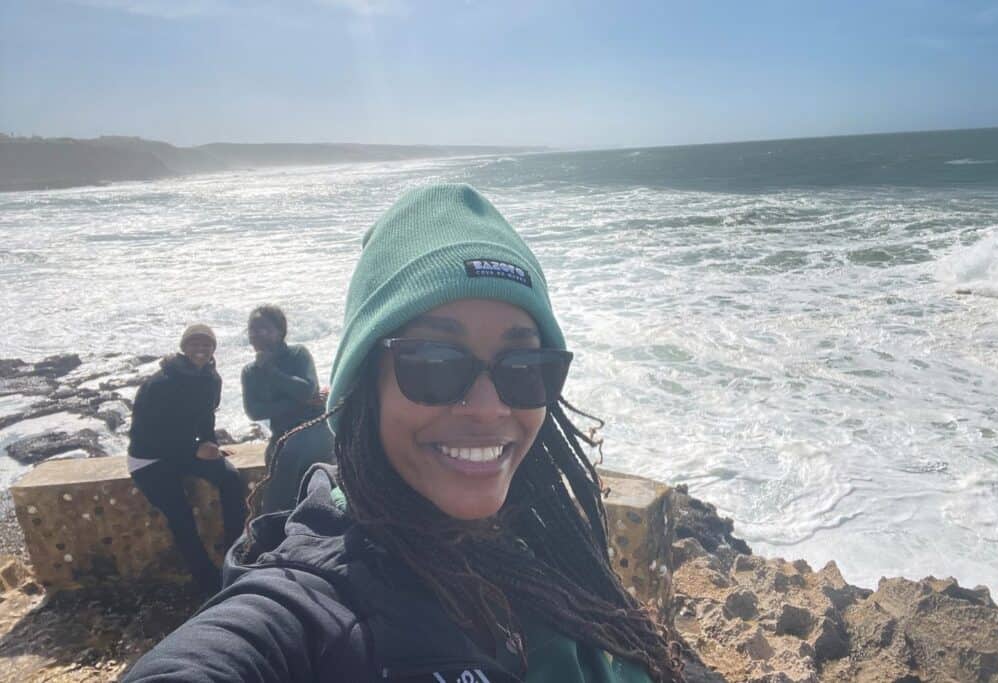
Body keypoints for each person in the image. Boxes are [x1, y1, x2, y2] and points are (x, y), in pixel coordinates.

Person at [125, 185, 683, 681]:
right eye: (434, 364)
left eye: (524, 367)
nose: (489, 410)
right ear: (364, 387)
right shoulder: (314, 606)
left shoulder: (543, 542)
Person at [127, 323, 245, 596]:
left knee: (230, 478)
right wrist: (194, 451)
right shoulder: (161, 383)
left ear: (213, 349)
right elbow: (146, 435)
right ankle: (209, 584)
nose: (201, 350)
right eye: (195, 343)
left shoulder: (211, 378)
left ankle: (236, 554)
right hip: (150, 459)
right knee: (181, 517)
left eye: (207, 344)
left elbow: (206, 418)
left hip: (181, 452)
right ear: (184, 347)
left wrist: (211, 445)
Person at [241, 304, 333, 512]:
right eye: (253, 329)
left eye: (264, 328)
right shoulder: (250, 371)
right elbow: (254, 411)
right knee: (280, 456)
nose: (257, 334)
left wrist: (272, 371)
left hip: (312, 429)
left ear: (280, 331)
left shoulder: (298, 354)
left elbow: (306, 389)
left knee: (291, 457)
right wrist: (298, 402)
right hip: (282, 434)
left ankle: (275, 520)